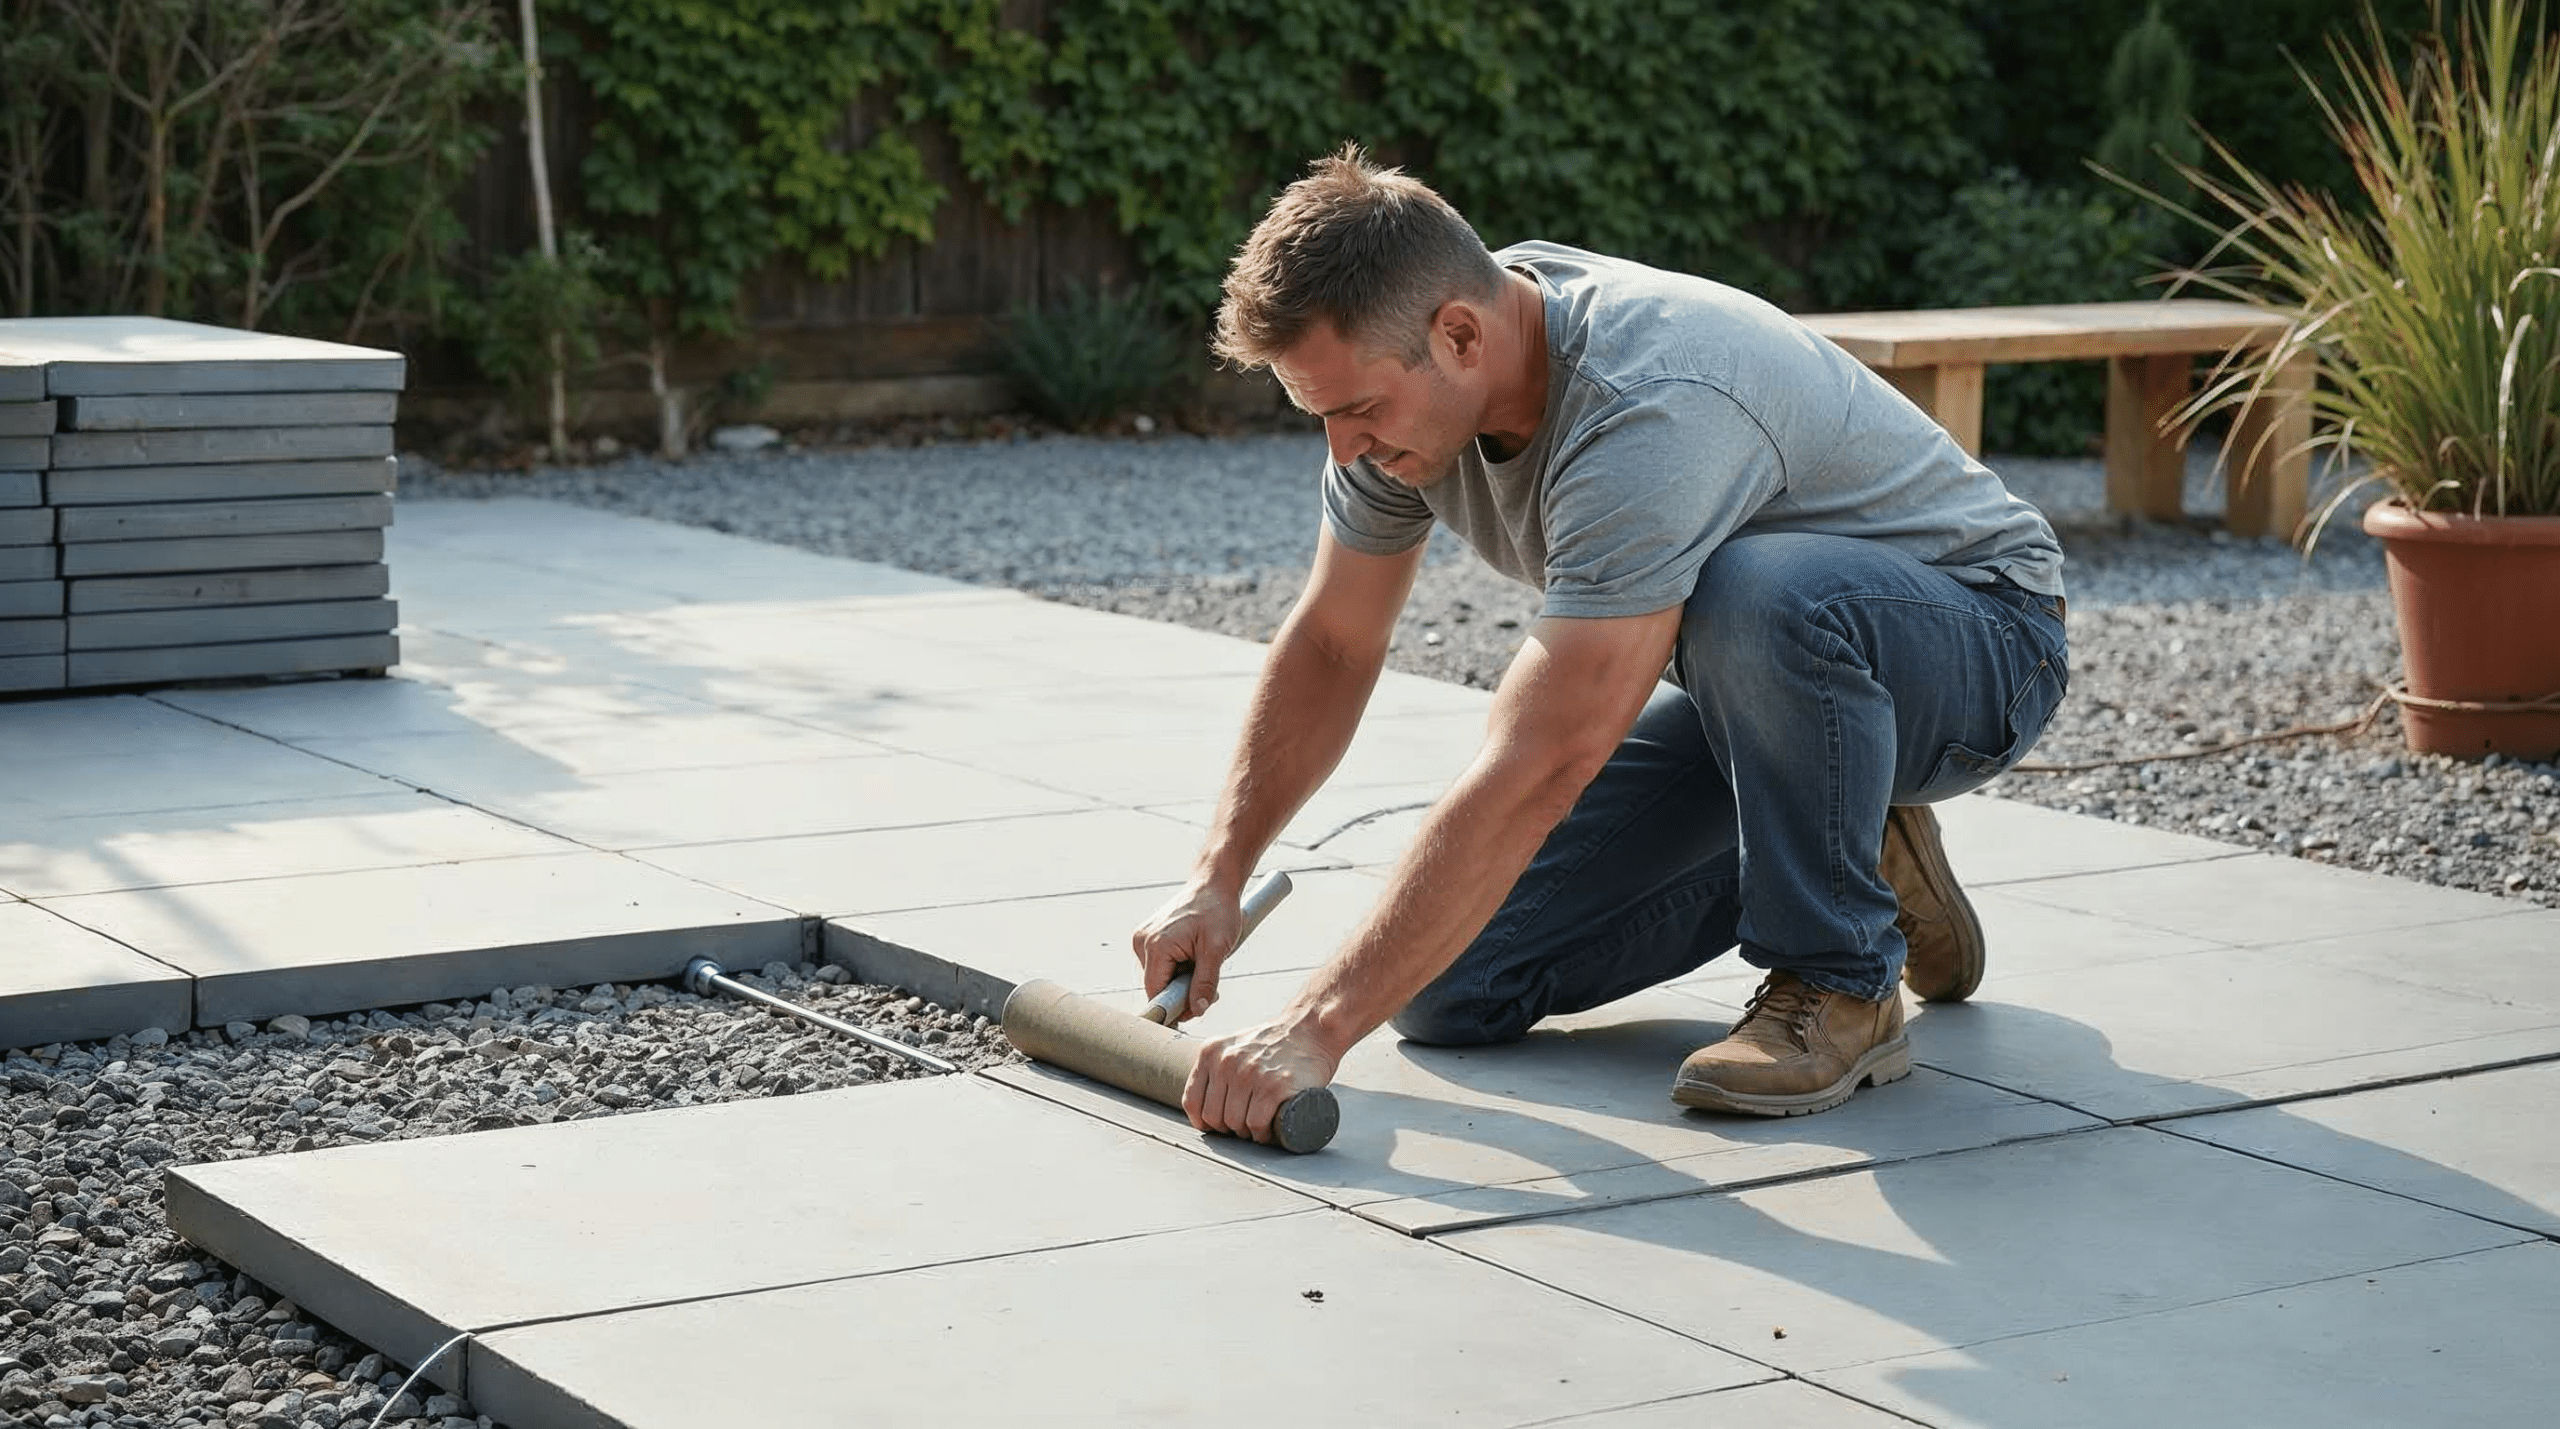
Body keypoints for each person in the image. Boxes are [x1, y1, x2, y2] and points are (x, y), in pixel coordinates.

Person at [1131, 145, 2068, 1143]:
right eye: (1318, 414)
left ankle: (1841, 979)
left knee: (1757, 587)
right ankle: (1857, 841)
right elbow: (1330, 643)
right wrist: (1217, 872)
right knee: (1447, 987)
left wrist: (1313, 1027)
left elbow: (1546, 755)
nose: (1342, 449)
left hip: (1976, 645)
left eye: (1356, 410)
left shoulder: (1645, 403)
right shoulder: (1414, 384)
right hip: (1759, 690)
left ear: (1458, 335)